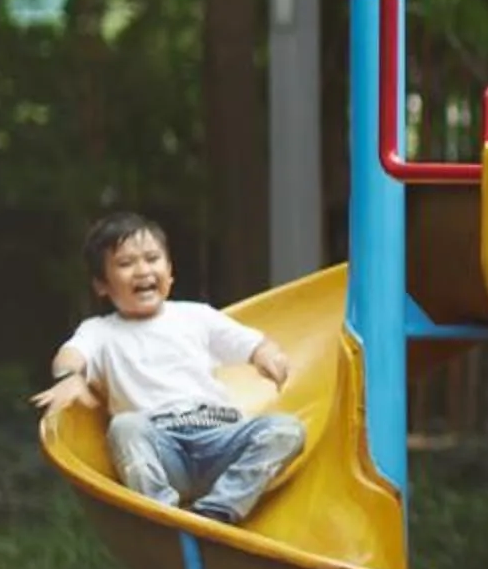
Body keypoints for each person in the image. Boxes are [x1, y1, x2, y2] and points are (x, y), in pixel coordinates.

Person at [32, 211, 302, 526]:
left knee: (285, 429)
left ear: (170, 272)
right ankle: (162, 514)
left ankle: (218, 508)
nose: (142, 270)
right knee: (125, 427)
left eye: (152, 258)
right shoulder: (100, 331)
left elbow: (250, 342)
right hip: (161, 448)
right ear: (102, 285)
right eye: (125, 263)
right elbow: (70, 354)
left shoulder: (196, 316)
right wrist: (69, 378)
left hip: (220, 437)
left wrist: (267, 355)